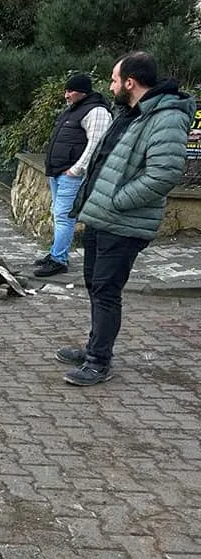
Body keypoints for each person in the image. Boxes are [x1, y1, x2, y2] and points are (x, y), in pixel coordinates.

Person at [58, 52, 195, 386]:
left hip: (122, 221)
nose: (111, 85)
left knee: (106, 290)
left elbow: (164, 174)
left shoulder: (165, 117)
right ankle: (94, 346)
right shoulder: (130, 113)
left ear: (130, 82)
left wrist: (118, 201)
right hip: (101, 217)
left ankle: (99, 362)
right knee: (95, 283)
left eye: (115, 79)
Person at [35, 73, 112, 277]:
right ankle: (55, 254)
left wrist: (75, 170)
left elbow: (96, 144)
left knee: (64, 217)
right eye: (66, 90)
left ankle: (59, 260)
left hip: (71, 175)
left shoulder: (96, 111)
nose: (66, 95)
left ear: (83, 92)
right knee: (58, 214)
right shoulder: (73, 111)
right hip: (58, 173)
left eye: (70, 91)